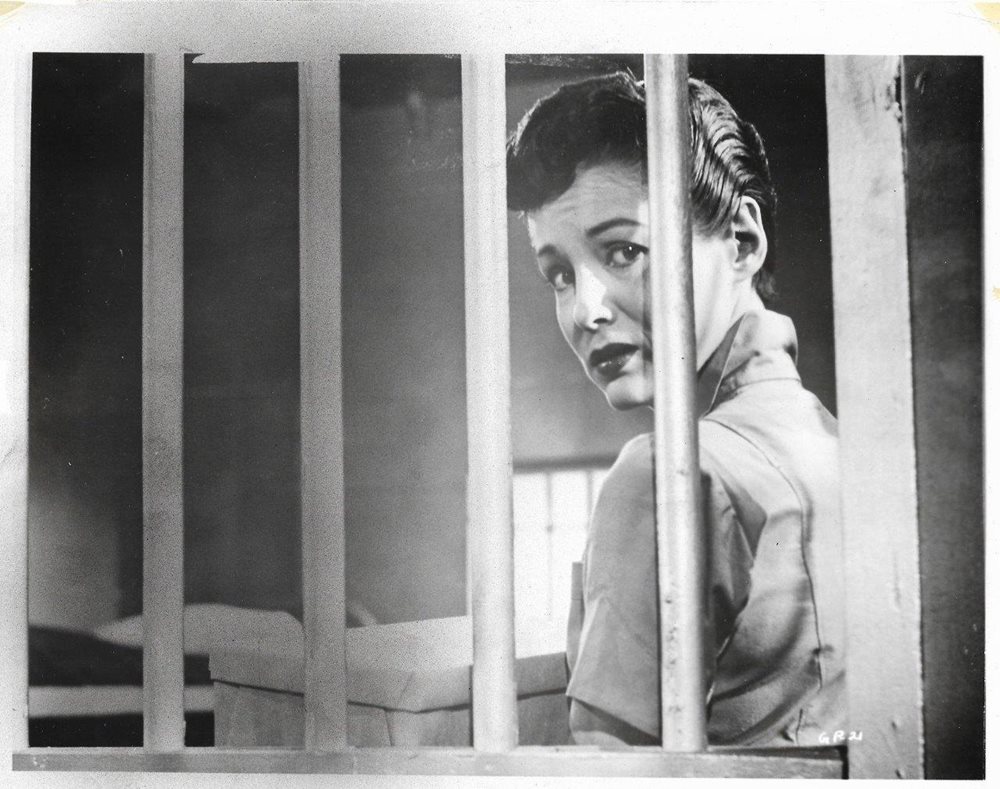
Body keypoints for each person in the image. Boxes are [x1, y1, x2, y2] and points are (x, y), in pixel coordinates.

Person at [506, 72, 845, 747]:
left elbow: (611, 774)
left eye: (624, 251)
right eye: (560, 274)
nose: (586, 309)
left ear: (742, 241)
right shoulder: (833, 442)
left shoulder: (669, 476)